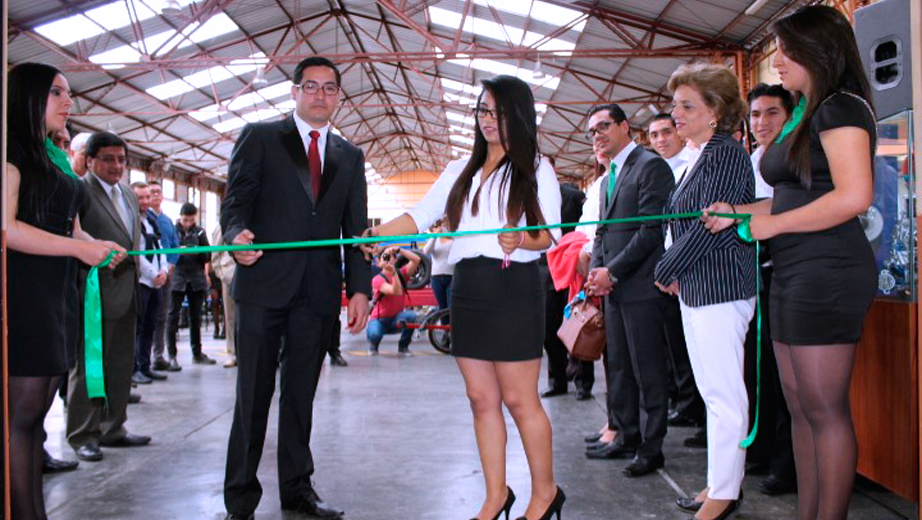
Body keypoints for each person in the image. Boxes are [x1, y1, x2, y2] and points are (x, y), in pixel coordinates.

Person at [704, 7, 877, 519]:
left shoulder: (841, 107)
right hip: (794, 270)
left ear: (816, 50)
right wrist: (739, 211)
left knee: (825, 411)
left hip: (829, 271)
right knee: (800, 411)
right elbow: (792, 199)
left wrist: (771, 225)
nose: (775, 62)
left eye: (784, 51)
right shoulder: (807, 110)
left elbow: (854, 196)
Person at [367, 75, 564, 520]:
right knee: (480, 398)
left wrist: (522, 237)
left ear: (518, 114)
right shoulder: (459, 169)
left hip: (513, 285)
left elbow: (549, 235)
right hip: (469, 286)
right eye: (482, 111)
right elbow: (418, 216)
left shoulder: (537, 168)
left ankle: (545, 494)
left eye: (496, 111)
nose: (487, 120)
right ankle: (496, 496)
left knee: (519, 399)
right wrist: (374, 233)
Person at [220, 56, 371, 520]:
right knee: (253, 395)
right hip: (264, 284)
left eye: (329, 88)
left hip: (318, 292)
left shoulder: (350, 156)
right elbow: (235, 202)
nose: (319, 95)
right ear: (294, 92)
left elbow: (356, 231)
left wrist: (360, 289)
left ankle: (297, 489)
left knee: (300, 394)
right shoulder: (261, 137)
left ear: (339, 97)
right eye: (310, 86)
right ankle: (240, 499)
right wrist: (234, 237)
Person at [5, 62, 125, 520]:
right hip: (25, 295)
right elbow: (7, 229)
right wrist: (79, 249)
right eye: (57, 93)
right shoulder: (12, 155)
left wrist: (98, 246)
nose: (68, 102)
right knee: (22, 419)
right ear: (29, 98)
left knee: (34, 422)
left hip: (57, 297)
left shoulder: (52, 156)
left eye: (68, 93)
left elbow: (71, 227)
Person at [653, 63, 756, 520]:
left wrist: (666, 267)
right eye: (675, 104)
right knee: (714, 393)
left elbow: (705, 228)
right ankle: (719, 482)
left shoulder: (724, 156)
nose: (676, 114)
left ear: (714, 111)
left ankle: (725, 493)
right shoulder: (702, 154)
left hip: (719, 287)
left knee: (724, 395)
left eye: (686, 106)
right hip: (698, 287)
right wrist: (676, 270)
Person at [582, 103, 673, 480]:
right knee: (618, 366)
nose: (598, 135)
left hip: (641, 287)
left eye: (604, 126)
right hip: (613, 289)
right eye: (592, 131)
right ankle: (626, 435)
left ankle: (652, 449)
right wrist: (595, 274)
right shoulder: (609, 177)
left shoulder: (650, 167)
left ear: (625, 127)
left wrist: (613, 272)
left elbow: (651, 230)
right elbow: (603, 231)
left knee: (648, 369)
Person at [67, 131, 151, 462]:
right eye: (108, 159)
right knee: (91, 366)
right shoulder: (79, 191)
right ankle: (83, 433)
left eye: (121, 159)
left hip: (127, 293)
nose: (116, 166)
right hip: (93, 293)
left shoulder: (128, 195)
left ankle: (113, 427)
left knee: (119, 365)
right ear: (90, 160)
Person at [743, 83, 798, 496]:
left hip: (790, 271)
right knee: (757, 370)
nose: (762, 123)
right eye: (756, 115)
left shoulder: (795, 159)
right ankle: (760, 450)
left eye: (772, 113)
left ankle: (787, 463)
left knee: (785, 376)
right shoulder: (751, 160)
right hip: (756, 275)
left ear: (790, 115)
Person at [646, 113, 705, 431]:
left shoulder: (690, 164)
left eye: (666, 132)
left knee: (688, 345)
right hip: (666, 269)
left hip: (688, 268)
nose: (660, 140)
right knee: (673, 343)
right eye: (654, 135)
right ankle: (684, 402)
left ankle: (692, 407)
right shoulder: (657, 169)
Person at [539, 181, 585, 398]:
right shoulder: (530, 198)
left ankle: (583, 382)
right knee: (549, 330)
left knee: (580, 323)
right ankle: (557, 381)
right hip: (544, 271)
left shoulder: (574, 197)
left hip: (572, 267)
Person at [167, 202, 215, 368]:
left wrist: (199, 252)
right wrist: (178, 252)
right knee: (172, 316)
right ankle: (171, 355)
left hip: (196, 280)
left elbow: (208, 255)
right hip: (177, 279)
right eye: (185, 220)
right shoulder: (172, 231)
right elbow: (166, 251)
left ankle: (197, 353)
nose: (188, 223)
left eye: (191, 220)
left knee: (195, 317)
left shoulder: (200, 232)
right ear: (180, 217)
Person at [131, 181, 169, 385]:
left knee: (150, 326)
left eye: (147, 197)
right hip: (142, 281)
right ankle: (134, 369)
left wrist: (163, 270)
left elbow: (160, 247)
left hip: (156, 282)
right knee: (137, 327)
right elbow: (136, 252)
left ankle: (145, 367)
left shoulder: (151, 221)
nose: (145, 201)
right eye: (141, 197)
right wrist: (154, 273)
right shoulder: (131, 220)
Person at [147, 180, 180, 371]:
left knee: (162, 316)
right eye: (152, 192)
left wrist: (172, 263)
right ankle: (143, 360)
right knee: (147, 317)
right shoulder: (144, 219)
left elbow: (175, 244)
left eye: (158, 192)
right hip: (150, 273)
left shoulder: (167, 221)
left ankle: (158, 356)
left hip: (167, 273)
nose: (155, 195)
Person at [367, 246, 421, 355]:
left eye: (391, 256)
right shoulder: (377, 279)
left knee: (411, 316)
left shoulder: (401, 274)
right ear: (378, 262)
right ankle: (374, 345)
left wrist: (399, 250)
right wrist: (393, 273)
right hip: (379, 320)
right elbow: (396, 291)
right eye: (385, 257)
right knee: (374, 334)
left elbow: (417, 260)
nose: (389, 259)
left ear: (395, 260)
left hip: (396, 319)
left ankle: (403, 346)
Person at [211, 225, 238, 368]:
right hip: (230, 276)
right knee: (230, 317)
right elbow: (215, 252)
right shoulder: (223, 225)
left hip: (253, 276)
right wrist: (221, 273)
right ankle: (231, 353)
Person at [648, 113, 696, 181]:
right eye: (654, 135)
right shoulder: (652, 172)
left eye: (667, 132)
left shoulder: (696, 161)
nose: (661, 139)